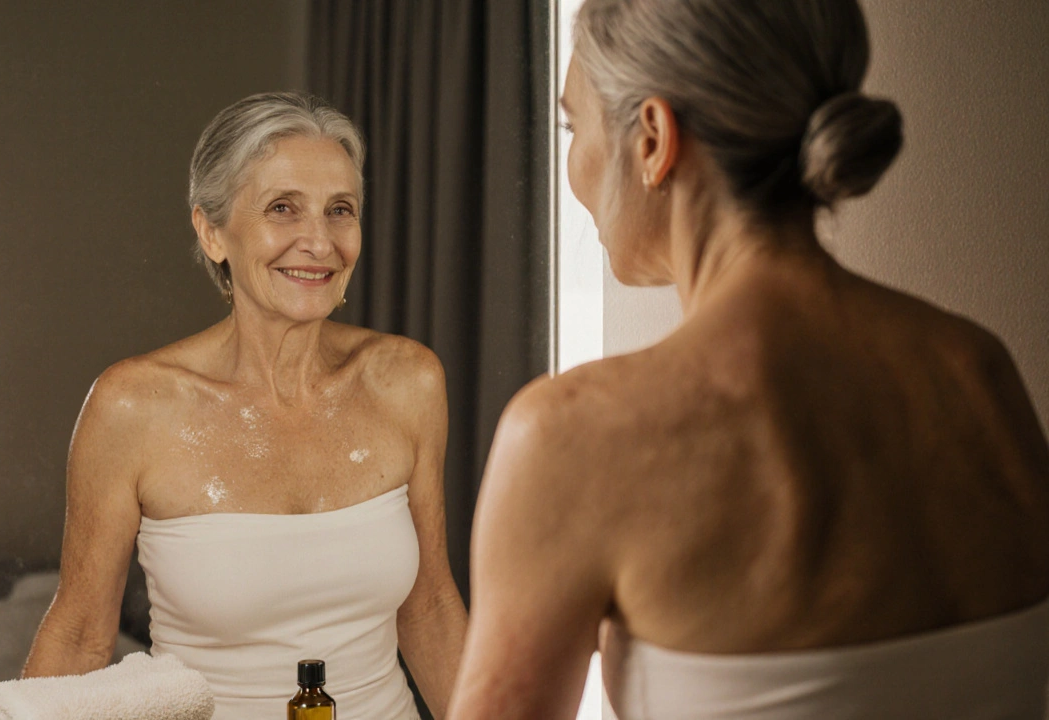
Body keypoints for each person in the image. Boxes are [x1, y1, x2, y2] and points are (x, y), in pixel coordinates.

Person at [449, 1, 1049, 718]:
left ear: (652, 139)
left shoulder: (576, 438)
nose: (574, 164)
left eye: (572, 126)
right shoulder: (977, 372)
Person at [23, 92, 467, 720]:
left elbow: (429, 608)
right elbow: (81, 634)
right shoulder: (134, 407)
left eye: (340, 210)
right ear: (212, 231)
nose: (318, 240)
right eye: (283, 208)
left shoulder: (406, 381)